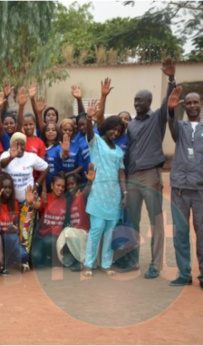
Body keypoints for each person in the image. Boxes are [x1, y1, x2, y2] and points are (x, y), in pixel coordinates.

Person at [121, 57, 176, 278]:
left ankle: (155, 264)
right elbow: (128, 150)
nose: (136, 103)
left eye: (140, 100)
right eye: (134, 100)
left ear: (149, 101)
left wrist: (171, 79)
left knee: (156, 220)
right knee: (132, 220)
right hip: (133, 177)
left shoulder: (158, 118)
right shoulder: (132, 124)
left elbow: (168, 102)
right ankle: (133, 260)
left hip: (151, 175)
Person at [82, 101, 126, 277]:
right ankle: (88, 264)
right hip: (97, 193)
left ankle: (106, 264)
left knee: (109, 232)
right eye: (113, 129)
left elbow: (121, 173)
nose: (115, 133)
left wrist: (124, 193)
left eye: (119, 131)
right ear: (106, 127)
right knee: (96, 229)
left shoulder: (119, 151)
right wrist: (89, 118)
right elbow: (89, 131)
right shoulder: (96, 142)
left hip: (113, 195)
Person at [167, 87, 203, 289]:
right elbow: (171, 124)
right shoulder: (180, 127)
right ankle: (184, 273)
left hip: (200, 189)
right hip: (180, 188)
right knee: (180, 232)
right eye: (188, 103)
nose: (191, 106)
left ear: (201, 104)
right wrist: (171, 111)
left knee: (202, 233)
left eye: (195, 102)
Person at [0, 132, 48, 260]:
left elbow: (46, 168)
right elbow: (2, 165)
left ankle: (25, 260)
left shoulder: (31, 157)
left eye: (22, 144)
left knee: (26, 231)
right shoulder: (6, 155)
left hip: (28, 201)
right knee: (13, 230)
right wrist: (11, 156)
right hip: (11, 202)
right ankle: (12, 258)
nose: (20, 147)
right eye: (16, 143)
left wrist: (37, 184)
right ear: (11, 144)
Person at [0, 173, 34, 274]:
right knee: (11, 238)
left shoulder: (15, 203)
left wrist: (14, 229)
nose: (8, 190)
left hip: (10, 242)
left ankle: (9, 261)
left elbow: (18, 228)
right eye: (5, 187)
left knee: (24, 255)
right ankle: (4, 265)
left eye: (10, 187)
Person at [56, 168, 94, 271]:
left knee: (67, 232)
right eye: (68, 185)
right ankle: (72, 260)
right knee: (62, 237)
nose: (70, 187)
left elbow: (86, 192)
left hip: (85, 234)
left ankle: (83, 261)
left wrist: (90, 182)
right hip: (77, 235)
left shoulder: (82, 197)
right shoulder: (70, 200)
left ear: (78, 184)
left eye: (72, 184)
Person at [32, 174, 67, 268]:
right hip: (41, 236)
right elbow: (37, 205)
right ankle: (46, 259)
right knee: (35, 258)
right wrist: (31, 202)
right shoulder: (45, 198)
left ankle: (53, 260)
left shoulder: (66, 201)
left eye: (63, 186)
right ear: (52, 185)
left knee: (49, 240)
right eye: (58, 185)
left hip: (55, 238)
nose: (60, 188)